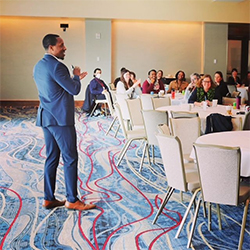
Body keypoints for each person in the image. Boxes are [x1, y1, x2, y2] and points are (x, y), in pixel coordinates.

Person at [33, 34, 96, 211]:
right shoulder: (58, 67)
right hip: (60, 119)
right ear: (51, 48)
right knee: (70, 158)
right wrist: (75, 76)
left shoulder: (38, 65)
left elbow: (54, 88)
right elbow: (74, 89)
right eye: (61, 45)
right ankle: (72, 199)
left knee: (52, 157)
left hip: (46, 117)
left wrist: (71, 80)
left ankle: (48, 198)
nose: (65, 48)